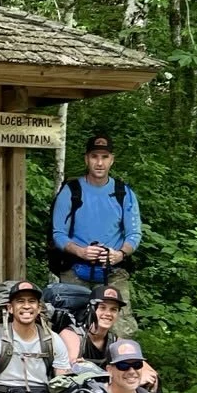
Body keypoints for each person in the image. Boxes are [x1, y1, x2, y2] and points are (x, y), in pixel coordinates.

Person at [50, 133, 141, 334]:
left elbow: (134, 234)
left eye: (104, 157)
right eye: (94, 157)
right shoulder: (71, 191)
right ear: (86, 159)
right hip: (75, 268)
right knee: (70, 326)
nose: (99, 163)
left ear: (112, 160)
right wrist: (80, 251)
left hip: (112, 270)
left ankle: (120, 364)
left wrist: (120, 254)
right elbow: (58, 233)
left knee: (120, 328)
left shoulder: (123, 193)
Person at [77, 284, 158, 390]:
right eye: (102, 308)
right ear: (90, 309)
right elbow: (72, 368)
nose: (108, 313)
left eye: (113, 309)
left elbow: (147, 369)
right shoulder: (74, 334)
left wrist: (145, 374)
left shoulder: (115, 341)